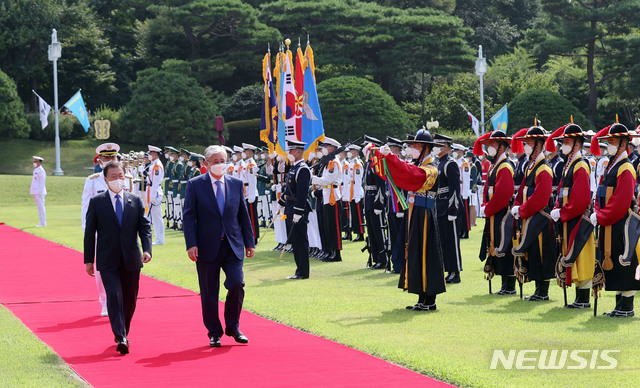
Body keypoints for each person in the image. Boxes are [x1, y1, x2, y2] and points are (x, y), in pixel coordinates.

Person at [183, 145, 256, 347]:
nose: (219, 164)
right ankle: (214, 332)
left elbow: (243, 215)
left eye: (223, 160)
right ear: (206, 164)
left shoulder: (235, 183)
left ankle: (233, 326)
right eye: (215, 161)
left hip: (233, 245)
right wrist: (191, 244)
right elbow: (189, 217)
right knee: (209, 292)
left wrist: (250, 242)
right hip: (206, 247)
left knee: (236, 284)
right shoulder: (195, 185)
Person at [83, 161, 152, 354]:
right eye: (113, 176)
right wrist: (89, 259)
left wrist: (147, 249)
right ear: (105, 180)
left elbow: (144, 227)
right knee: (114, 295)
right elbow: (90, 232)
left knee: (130, 299)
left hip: (131, 258)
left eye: (120, 175)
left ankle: (124, 332)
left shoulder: (135, 200)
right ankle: (120, 335)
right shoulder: (97, 202)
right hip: (107, 258)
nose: (117, 179)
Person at [372, 128, 444, 310]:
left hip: (425, 214)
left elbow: (411, 175)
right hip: (415, 214)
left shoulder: (431, 168)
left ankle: (430, 299)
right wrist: (383, 159)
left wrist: (391, 158)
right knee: (416, 254)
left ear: (426, 148)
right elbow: (401, 174)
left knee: (426, 255)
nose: (413, 148)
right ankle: (421, 297)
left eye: (417, 146)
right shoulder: (420, 165)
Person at [592, 122, 640, 317]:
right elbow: (601, 193)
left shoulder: (626, 167)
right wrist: (598, 211)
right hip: (610, 221)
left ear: (622, 143)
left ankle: (627, 306)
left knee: (624, 261)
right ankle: (619, 304)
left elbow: (621, 200)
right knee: (614, 262)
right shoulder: (612, 165)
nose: (609, 145)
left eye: (612, 142)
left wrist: (601, 215)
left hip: (621, 222)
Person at [547, 123, 596, 309]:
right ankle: (579, 297)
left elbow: (582, 198)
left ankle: (583, 299)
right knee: (571, 255)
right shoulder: (570, 164)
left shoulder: (580, 165)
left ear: (577, 144)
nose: (563, 145)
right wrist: (559, 207)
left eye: (567, 142)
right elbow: (562, 191)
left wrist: (564, 212)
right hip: (568, 216)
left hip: (577, 217)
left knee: (581, 255)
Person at [512, 126, 556, 301]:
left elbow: (540, 199)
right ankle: (538, 289)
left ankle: (543, 290)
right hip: (530, 215)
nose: (526, 146)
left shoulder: (543, 168)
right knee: (533, 252)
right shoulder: (530, 166)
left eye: (529, 143)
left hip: (540, 217)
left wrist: (522, 210)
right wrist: (517, 206)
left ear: (538, 145)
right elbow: (522, 189)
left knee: (541, 252)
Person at [473, 131, 516, 295]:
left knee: (504, 246)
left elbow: (503, 194)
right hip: (494, 213)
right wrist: (486, 205)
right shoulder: (494, 165)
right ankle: (504, 283)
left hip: (503, 213)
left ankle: (509, 285)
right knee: (496, 245)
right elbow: (488, 190)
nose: (489, 148)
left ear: (502, 147)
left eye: (492, 145)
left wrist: (489, 208)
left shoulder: (504, 166)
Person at [82, 143, 119, 317]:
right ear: (100, 160)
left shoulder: (124, 178)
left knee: (124, 267)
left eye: (112, 157)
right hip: (102, 232)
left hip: (122, 231)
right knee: (101, 269)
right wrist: (89, 232)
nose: (109, 160)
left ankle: (120, 299)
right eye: (106, 157)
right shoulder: (92, 180)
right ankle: (104, 301)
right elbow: (86, 208)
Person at [278, 140, 311, 279]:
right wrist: (281, 202)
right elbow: (289, 189)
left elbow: (302, 193)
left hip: (297, 209)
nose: (289, 153)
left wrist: (298, 212)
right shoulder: (294, 168)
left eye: (291, 151)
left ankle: (303, 272)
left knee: (300, 241)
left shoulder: (302, 169)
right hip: (290, 208)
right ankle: (299, 270)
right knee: (295, 242)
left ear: (298, 151)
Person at [433, 134, 463, 284]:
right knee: (444, 241)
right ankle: (449, 270)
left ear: (445, 146)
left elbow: (455, 189)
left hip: (449, 208)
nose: (435, 148)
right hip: (439, 206)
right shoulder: (438, 163)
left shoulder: (450, 164)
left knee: (452, 241)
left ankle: (455, 271)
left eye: (438, 145)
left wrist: (453, 209)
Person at [147, 146, 165, 245]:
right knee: (154, 216)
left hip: (155, 191)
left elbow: (156, 182)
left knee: (157, 216)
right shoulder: (153, 164)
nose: (149, 155)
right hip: (151, 190)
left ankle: (160, 239)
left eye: (150, 153)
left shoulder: (157, 165)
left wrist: (152, 195)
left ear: (155, 154)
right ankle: (158, 238)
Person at [30, 156, 47, 227]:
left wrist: (40, 192)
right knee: (39, 207)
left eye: (35, 162)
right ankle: (41, 221)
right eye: (34, 162)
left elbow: (42, 182)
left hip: (39, 192)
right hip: (36, 191)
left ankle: (43, 222)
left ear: (39, 162)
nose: (34, 163)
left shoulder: (41, 170)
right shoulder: (36, 170)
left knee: (41, 207)